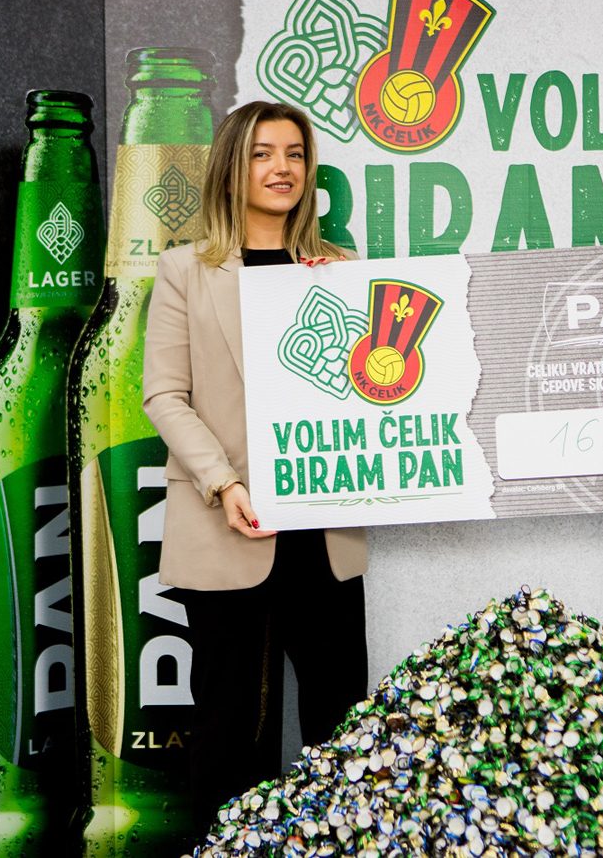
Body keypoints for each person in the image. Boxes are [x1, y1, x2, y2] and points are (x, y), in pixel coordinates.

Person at [143, 100, 369, 835]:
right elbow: (164, 396)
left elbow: (376, 390)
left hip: (323, 531)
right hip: (226, 524)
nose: (282, 168)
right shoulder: (184, 270)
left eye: (295, 154)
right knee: (228, 723)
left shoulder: (342, 270)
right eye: (263, 154)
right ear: (232, 168)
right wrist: (224, 482)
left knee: (343, 723)